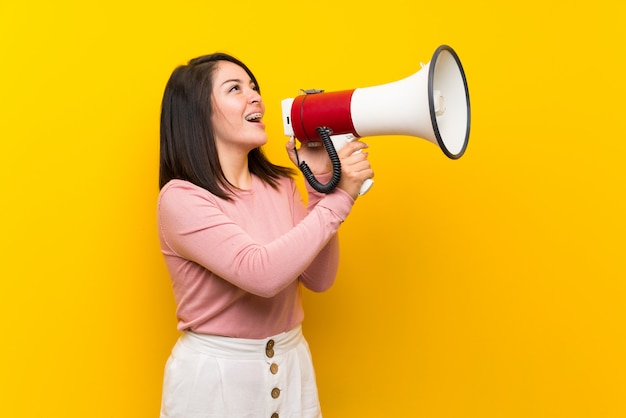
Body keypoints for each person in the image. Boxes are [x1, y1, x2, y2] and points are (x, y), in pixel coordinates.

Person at [157, 52, 373, 418]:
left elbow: (319, 279)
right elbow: (261, 274)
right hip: (216, 380)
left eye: (254, 87)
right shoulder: (181, 199)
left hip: (291, 365)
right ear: (197, 113)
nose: (255, 96)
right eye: (235, 88)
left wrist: (320, 190)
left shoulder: (280, 186)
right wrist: (339, 199)